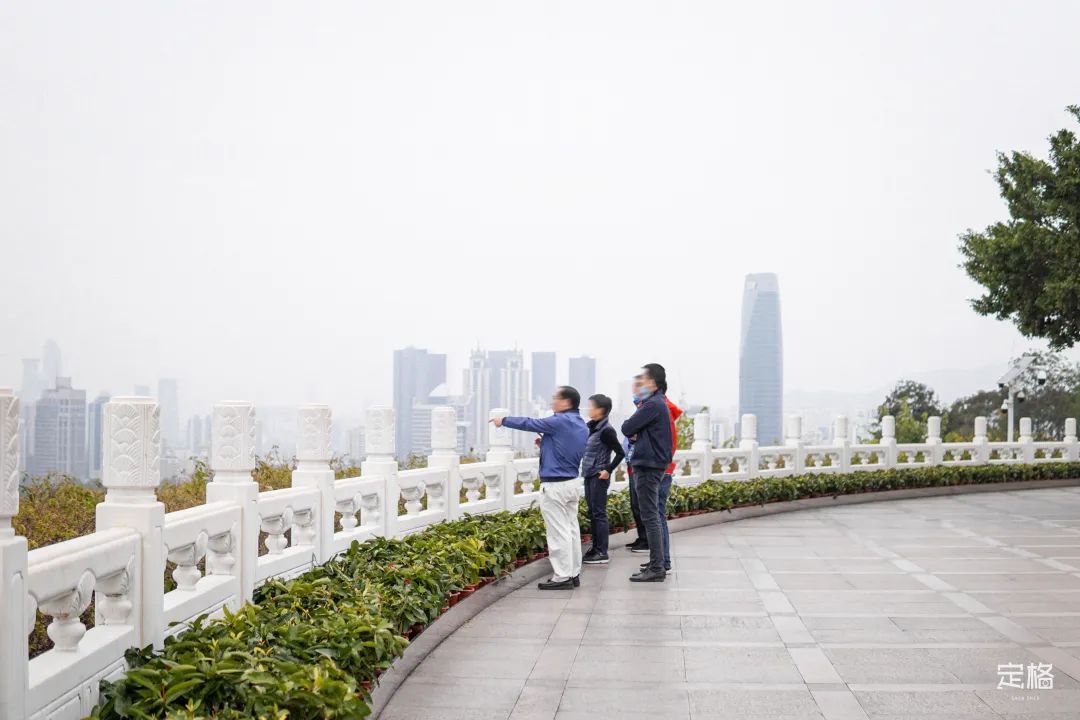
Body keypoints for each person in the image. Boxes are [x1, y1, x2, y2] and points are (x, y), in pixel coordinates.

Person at [492, 386, 589, 590]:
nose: (552, 402)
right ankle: (573, 573)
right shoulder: (580, 424)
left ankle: (562, 577)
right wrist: (545, 444)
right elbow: (565, 448)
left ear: (566, 402)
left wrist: (504, 420)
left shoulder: (560, 420)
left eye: (555, 399)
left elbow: (530, 423)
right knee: (571, 530)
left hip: (555, 486)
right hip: (572, 483)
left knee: (557, 533)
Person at [620, 364, 674, 582]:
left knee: (650, 516)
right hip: (653, 464)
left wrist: (635, 431)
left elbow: (626, 427)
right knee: (652, 515)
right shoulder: (657, 403)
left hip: (648, 465)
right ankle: (657, 563)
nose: (640, 384)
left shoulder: (652, 405)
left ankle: (657, 568)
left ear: (653, 382)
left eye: (643, 379)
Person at [580, 394, 625, 565]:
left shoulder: (607, 430)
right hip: (589, 474)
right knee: (593, 512)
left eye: (591, 406)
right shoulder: (591, 427)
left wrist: (608, 469)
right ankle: (595, 548)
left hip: (599, 476)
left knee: (599, 513)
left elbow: (620, 452)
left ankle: (602, 551)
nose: (589, 409)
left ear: (601, 410)